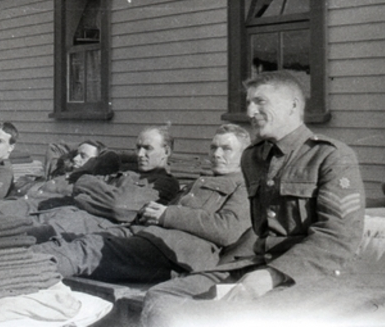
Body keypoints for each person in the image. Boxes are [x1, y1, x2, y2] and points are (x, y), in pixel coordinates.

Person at [142, 71, 365, 326]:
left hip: (310, 276)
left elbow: (338, 238)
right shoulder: (253, 157)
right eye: (248, 103)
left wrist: (271, 276)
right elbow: (258, 233)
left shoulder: (331, 157)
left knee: (224, 316)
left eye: (260, 102)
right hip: (257, 266)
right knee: (162, 296)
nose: (250, 112)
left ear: (293, 105)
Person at [31, 123, 252, 284]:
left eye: (226, 149)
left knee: (86, 251)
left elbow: (228, 229)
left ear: (244, 155)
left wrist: (167, 215)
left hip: (175, 253)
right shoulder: (205, 180)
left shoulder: (244, 187)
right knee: (72, 241)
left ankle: (18, 277)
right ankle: (10, 264)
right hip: (146, 235)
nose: (217, 154)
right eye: (213, 147)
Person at [31, 125, 180, 240]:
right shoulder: (129, 174)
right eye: (138, 148)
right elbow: (79, 186)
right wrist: (95, 195)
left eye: (147, 149)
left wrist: (89, 191)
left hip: (86, 231)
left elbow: (119, 207)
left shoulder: (164, 184)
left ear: (166, 152)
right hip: (63, 218)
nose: (139, 154)